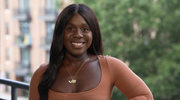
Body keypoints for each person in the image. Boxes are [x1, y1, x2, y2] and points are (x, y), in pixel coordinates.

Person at [29, 4, 154, 100]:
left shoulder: (110, 66)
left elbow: (145, 96)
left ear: (93, 33)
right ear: (60, 33)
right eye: (70, 28)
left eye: (85, 29)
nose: (78, 35)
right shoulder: (41, 74)